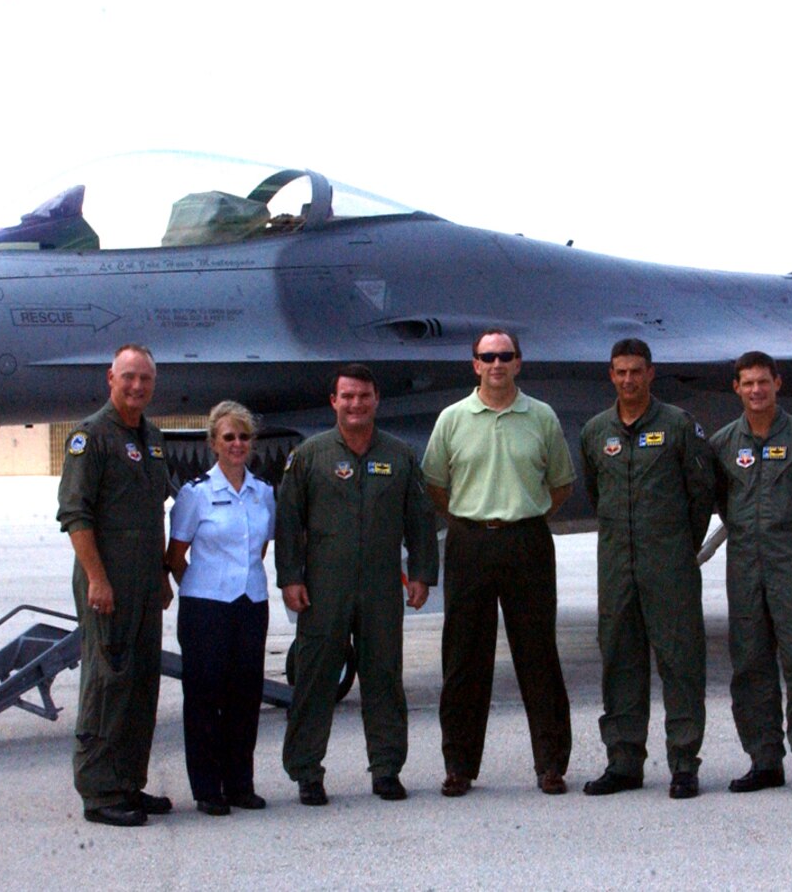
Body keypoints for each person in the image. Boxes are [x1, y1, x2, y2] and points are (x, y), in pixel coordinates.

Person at [423, 328, 577, 797]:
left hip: (526, 541)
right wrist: (471, 519)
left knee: (538, 655)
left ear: (518, 362)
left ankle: (551, 765)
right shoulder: (452, 419)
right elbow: (436, 484)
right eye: (487, 357)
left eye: (504, 356)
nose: (496, 364)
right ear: (475, 364)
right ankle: (459, 766)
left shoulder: (541, 417)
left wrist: (524, 516)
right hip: (469, 541)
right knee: (464, 658)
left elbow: (561, 483)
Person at [276, 364, 439, 805]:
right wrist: (290, 578)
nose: (355, 404)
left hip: (381, 586)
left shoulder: (400, 455)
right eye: (347, 396)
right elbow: (288, 522)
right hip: (323, 587)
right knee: (315, 679)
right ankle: (307, 772)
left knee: (384, 676)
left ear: (376, 400)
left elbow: (420, 519)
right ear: (334, 402)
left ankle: (386, 769)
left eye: (364, 396)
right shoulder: (310, 456)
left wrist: (422, 573)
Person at [577, 338, 717, 800]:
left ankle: (684, 763)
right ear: (611, 375)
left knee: (680, 662)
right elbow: (596, 493)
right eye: (620, 372)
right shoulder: (596, 431)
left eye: (636, 371)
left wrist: (677, 546)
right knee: (620, 662)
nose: (628, 380)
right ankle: (623, 762)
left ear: (650, 373)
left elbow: (701, 493)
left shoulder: (678, 426)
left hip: (669, 565)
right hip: (617, 565)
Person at [708, 350, 792, 799]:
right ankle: (764, 761)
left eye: (763, 381)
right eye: (747, 383)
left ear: (777, 383)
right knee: (750, 666)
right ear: (736, 388)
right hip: (745, 565)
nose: (756, 390)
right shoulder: (725, 443)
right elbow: (720, 499)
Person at [57, 343, 175, 826]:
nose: (137, 386)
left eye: (145, 378)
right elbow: (75, 514)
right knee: (107, 682)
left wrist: (162, 575)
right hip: (108, 581)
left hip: (145, 580)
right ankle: (99, 792)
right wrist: (97, 579)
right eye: (128, 376)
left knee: (141, 682)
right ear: (111, 379)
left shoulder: (151, 436)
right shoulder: (91, 437)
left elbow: (155, 510)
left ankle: (128, 781)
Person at [165, 401, 275, 816]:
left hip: (250, 604)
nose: (237, 444)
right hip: (206, 608)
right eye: (229, 437)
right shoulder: (195, 494)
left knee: (245, 697)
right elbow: (176, 555)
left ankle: (240, 784)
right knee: (204, 698)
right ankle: (208, 789)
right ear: (213, 443)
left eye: (244, 437)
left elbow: (258, 548)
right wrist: (202, 587)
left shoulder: (263, 493)